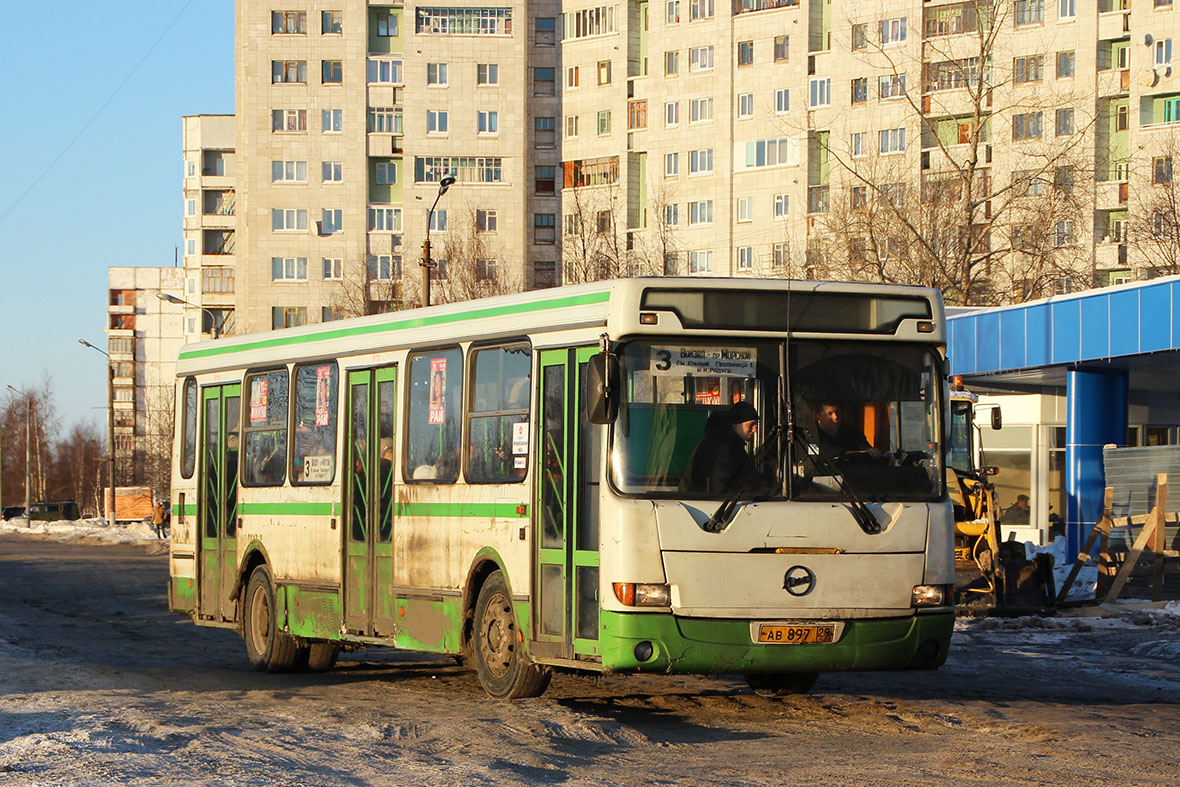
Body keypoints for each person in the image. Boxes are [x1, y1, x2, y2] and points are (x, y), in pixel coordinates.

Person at [680, 401, 765, 495]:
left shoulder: (724, 443)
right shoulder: (725, 449)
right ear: (735, 425)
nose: (755, 430)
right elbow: (719, 490)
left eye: (756, 424)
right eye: (751, 424)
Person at [808, 401, 878, 463]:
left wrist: (874, 452)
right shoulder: (810, 435)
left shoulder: (852, 432)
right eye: (830, 413)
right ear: (816, 416)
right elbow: (825, 453)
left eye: (837, 412)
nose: (835, 417)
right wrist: (857, 453)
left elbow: (866, 448)